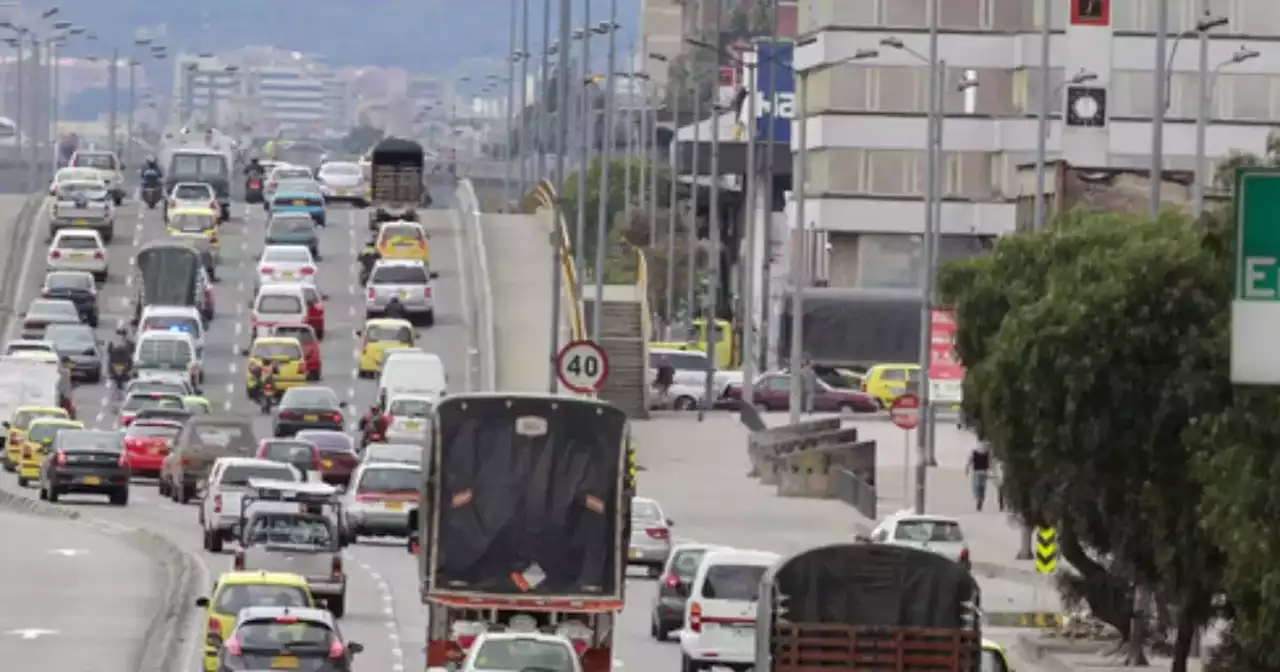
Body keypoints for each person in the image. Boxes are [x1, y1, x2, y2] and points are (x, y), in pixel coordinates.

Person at [965, 440, 992, 512]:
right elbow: (990, 462)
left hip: (976, 471)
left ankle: (978, 498)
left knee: (976, 486)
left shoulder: (974, 452)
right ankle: (981, 499)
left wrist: (967, 468)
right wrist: (990, 471)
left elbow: (970, 460)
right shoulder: (987, 452)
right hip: (984, 471)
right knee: (982, 487)